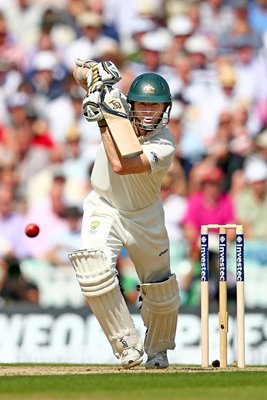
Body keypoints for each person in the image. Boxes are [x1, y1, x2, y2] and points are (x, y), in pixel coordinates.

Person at [69, 61, 180, 370]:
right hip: (104, 206)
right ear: (131, 104)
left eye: (154, 106)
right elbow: (77, 73)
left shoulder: (164, 145)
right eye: (142, 104)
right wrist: (93, 80)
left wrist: (103, 121)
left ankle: (157, 352)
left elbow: (122, 164)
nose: (147, 112)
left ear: (165, 110)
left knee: (160, 290)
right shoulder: (115, 104)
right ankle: (126, 345)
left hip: (145, 218)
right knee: (92, 268)